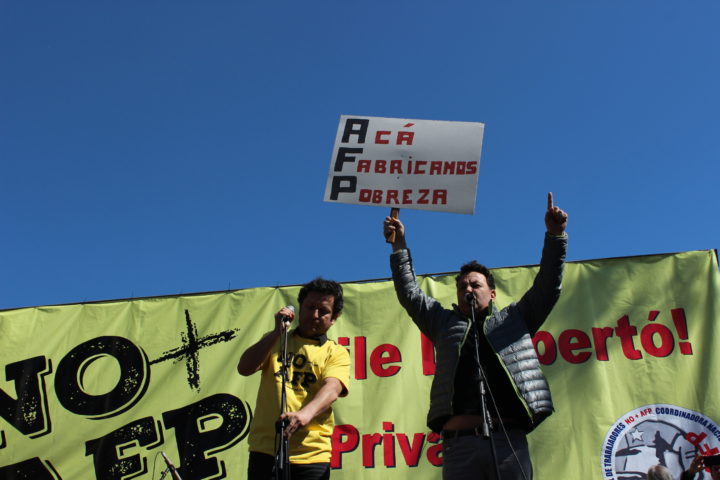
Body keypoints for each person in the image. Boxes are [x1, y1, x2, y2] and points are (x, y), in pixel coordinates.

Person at [383, 193, 568, 480]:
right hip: (459, 446)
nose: (468, 289)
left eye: (475, 284)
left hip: (508, 444)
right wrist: (399, 246)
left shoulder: (515, 320)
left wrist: (555, 237)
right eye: (462, 286)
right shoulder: (444, 323)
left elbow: (548, 287)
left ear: (492, 293)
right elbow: (410, 295)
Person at [238, 278, 351, 480]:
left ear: (334, 317)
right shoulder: (276, 340)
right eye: (309, 307)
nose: (314, 315)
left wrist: (305, 414)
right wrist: (275, 333)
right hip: (265, 450)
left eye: (323, 311)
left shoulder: (336, 352)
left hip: (312, 454)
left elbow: (333, 387)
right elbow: (245, 368)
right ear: (300, 307)